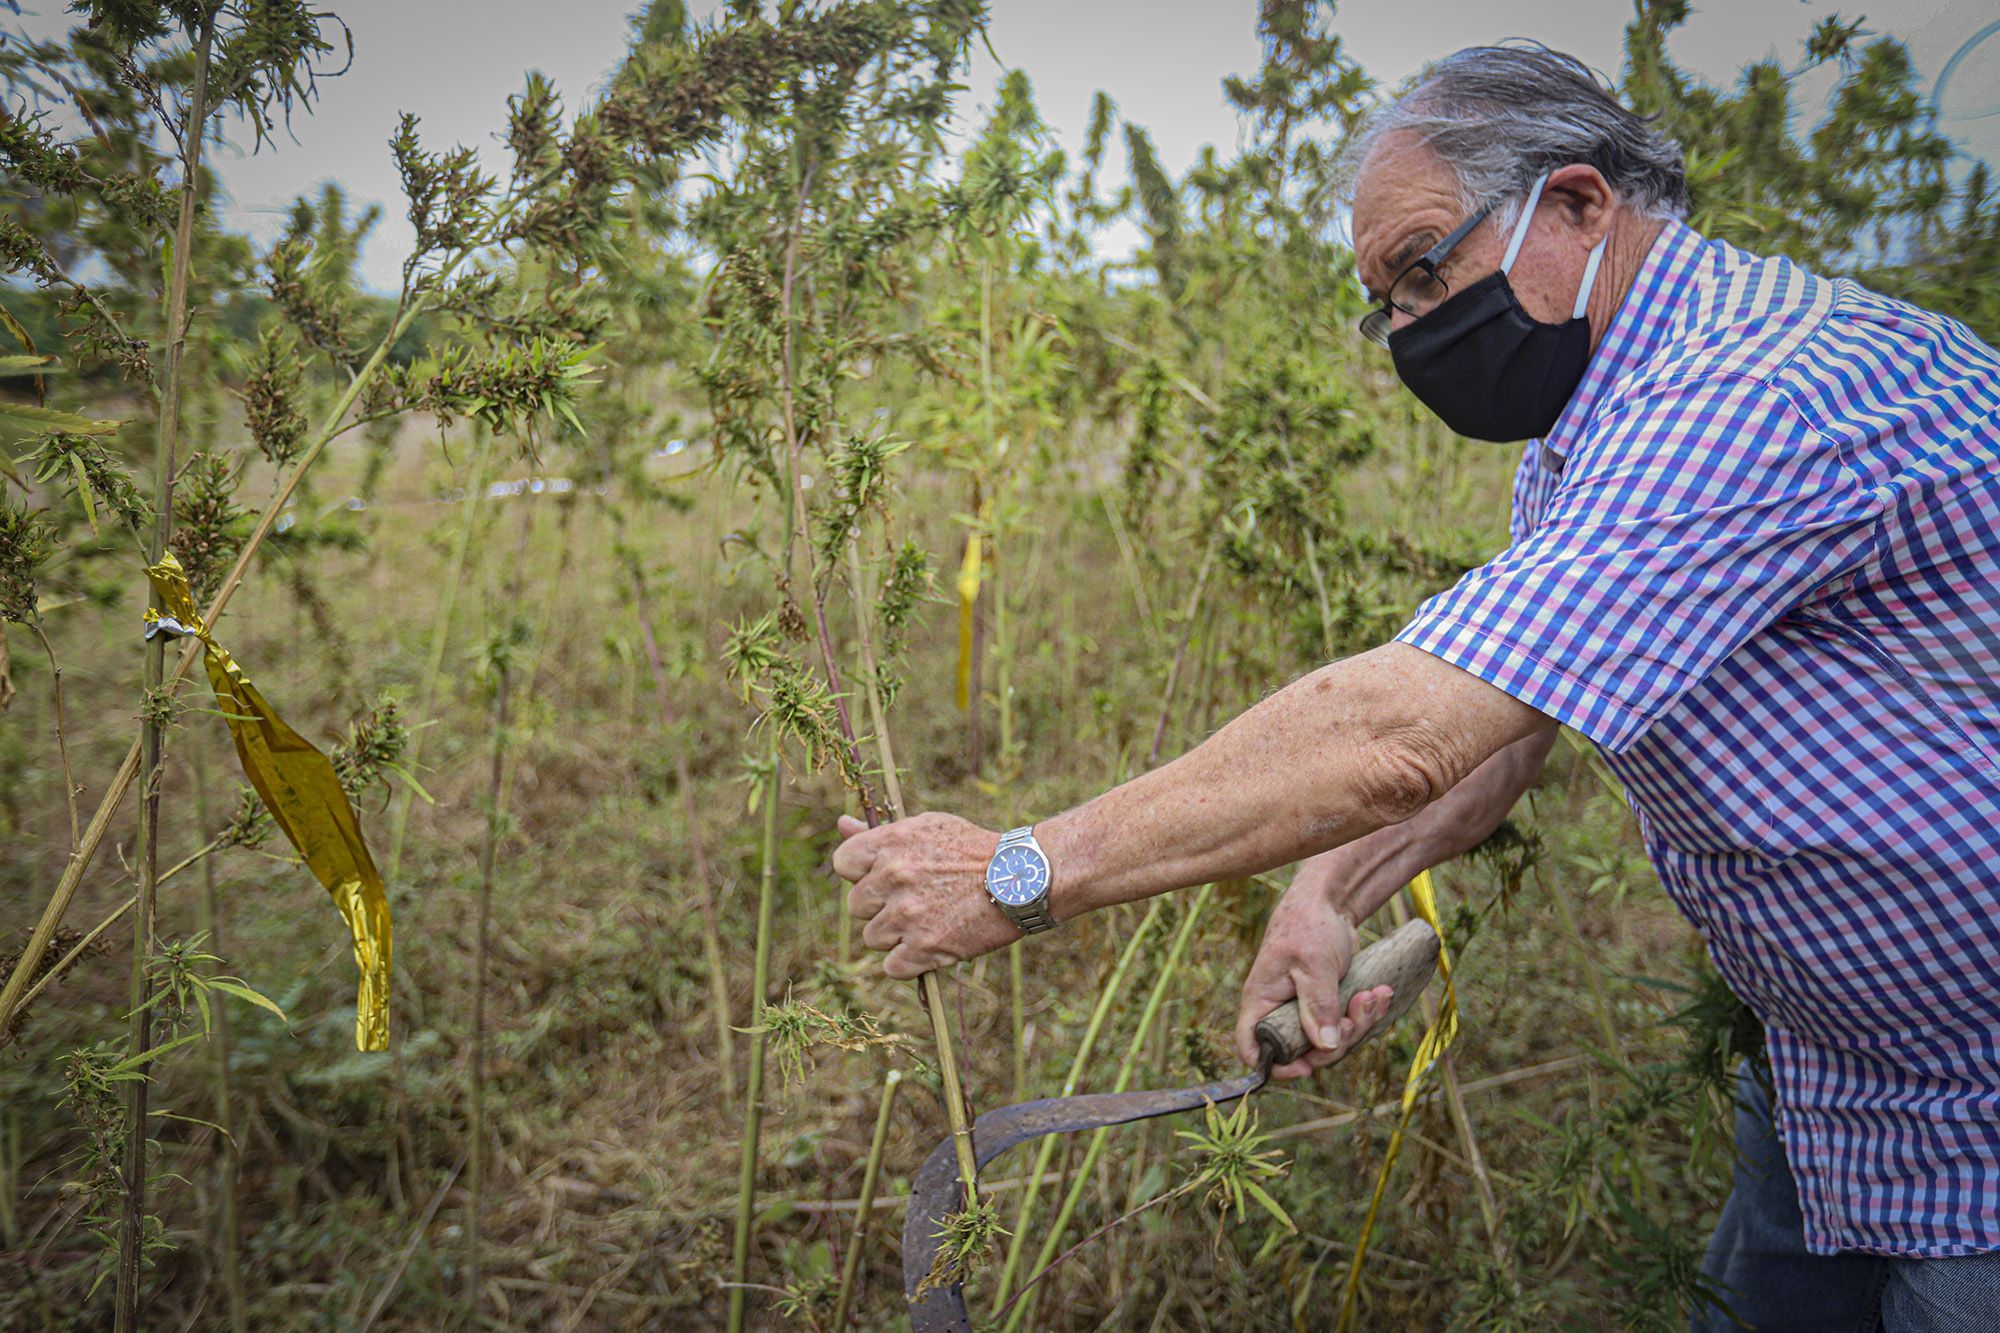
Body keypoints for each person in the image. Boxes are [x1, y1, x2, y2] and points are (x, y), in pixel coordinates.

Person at [829, 43, 2000, 1330]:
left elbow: (1401, 730)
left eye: (1424, 266)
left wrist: (1020, 869)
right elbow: (1520, 711)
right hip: (1832, 1076)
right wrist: (1330, 891)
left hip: (1977, 1106)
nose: (1406, 328)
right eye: (1383, 298)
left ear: (1574, 204)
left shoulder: (1749, 393)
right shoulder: (1595, 422)